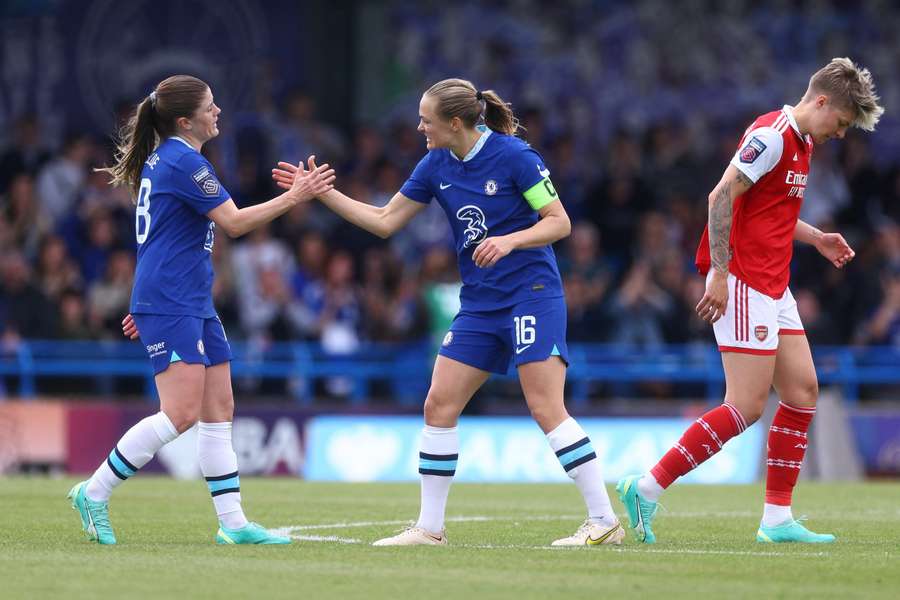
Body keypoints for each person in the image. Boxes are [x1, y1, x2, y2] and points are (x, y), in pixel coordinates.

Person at [273, 78, 623, 547]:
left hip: (531, 294)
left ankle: (604, 521)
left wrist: (510, 239)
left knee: (545, 407)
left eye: (426, 119)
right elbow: (385, 221)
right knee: (438, 405)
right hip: (479, 303)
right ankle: (429, 529)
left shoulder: (516, 157)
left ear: (454, 123)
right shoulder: (435, 163)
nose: (419, 127)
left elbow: (559, 222)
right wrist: (319, 194)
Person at [617, 58, 883, 544]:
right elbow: (721, 197)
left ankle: (777, 518)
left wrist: (817, 237)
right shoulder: (773, 135)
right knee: (744, 406)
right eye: (841, 123)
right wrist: (719, 272)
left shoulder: (803, 143)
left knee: (802, 393)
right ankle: (646, 487)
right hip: (743, 280)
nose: (840, 135)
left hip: (773, 283)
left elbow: (769, 214)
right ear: (821, 101)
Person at [68, 74, 335, 545]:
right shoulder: (183, 164)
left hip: (186, 299)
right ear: (186, 120)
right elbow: (232, 223)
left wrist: (144, 301)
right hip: (173, 300)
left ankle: (233, 524)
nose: (219, 113)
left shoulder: (170, 160)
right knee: (180, 414)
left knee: (219, 409)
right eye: (211, 107)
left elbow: (160, 238)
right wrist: (296, 196)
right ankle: (95, 491)